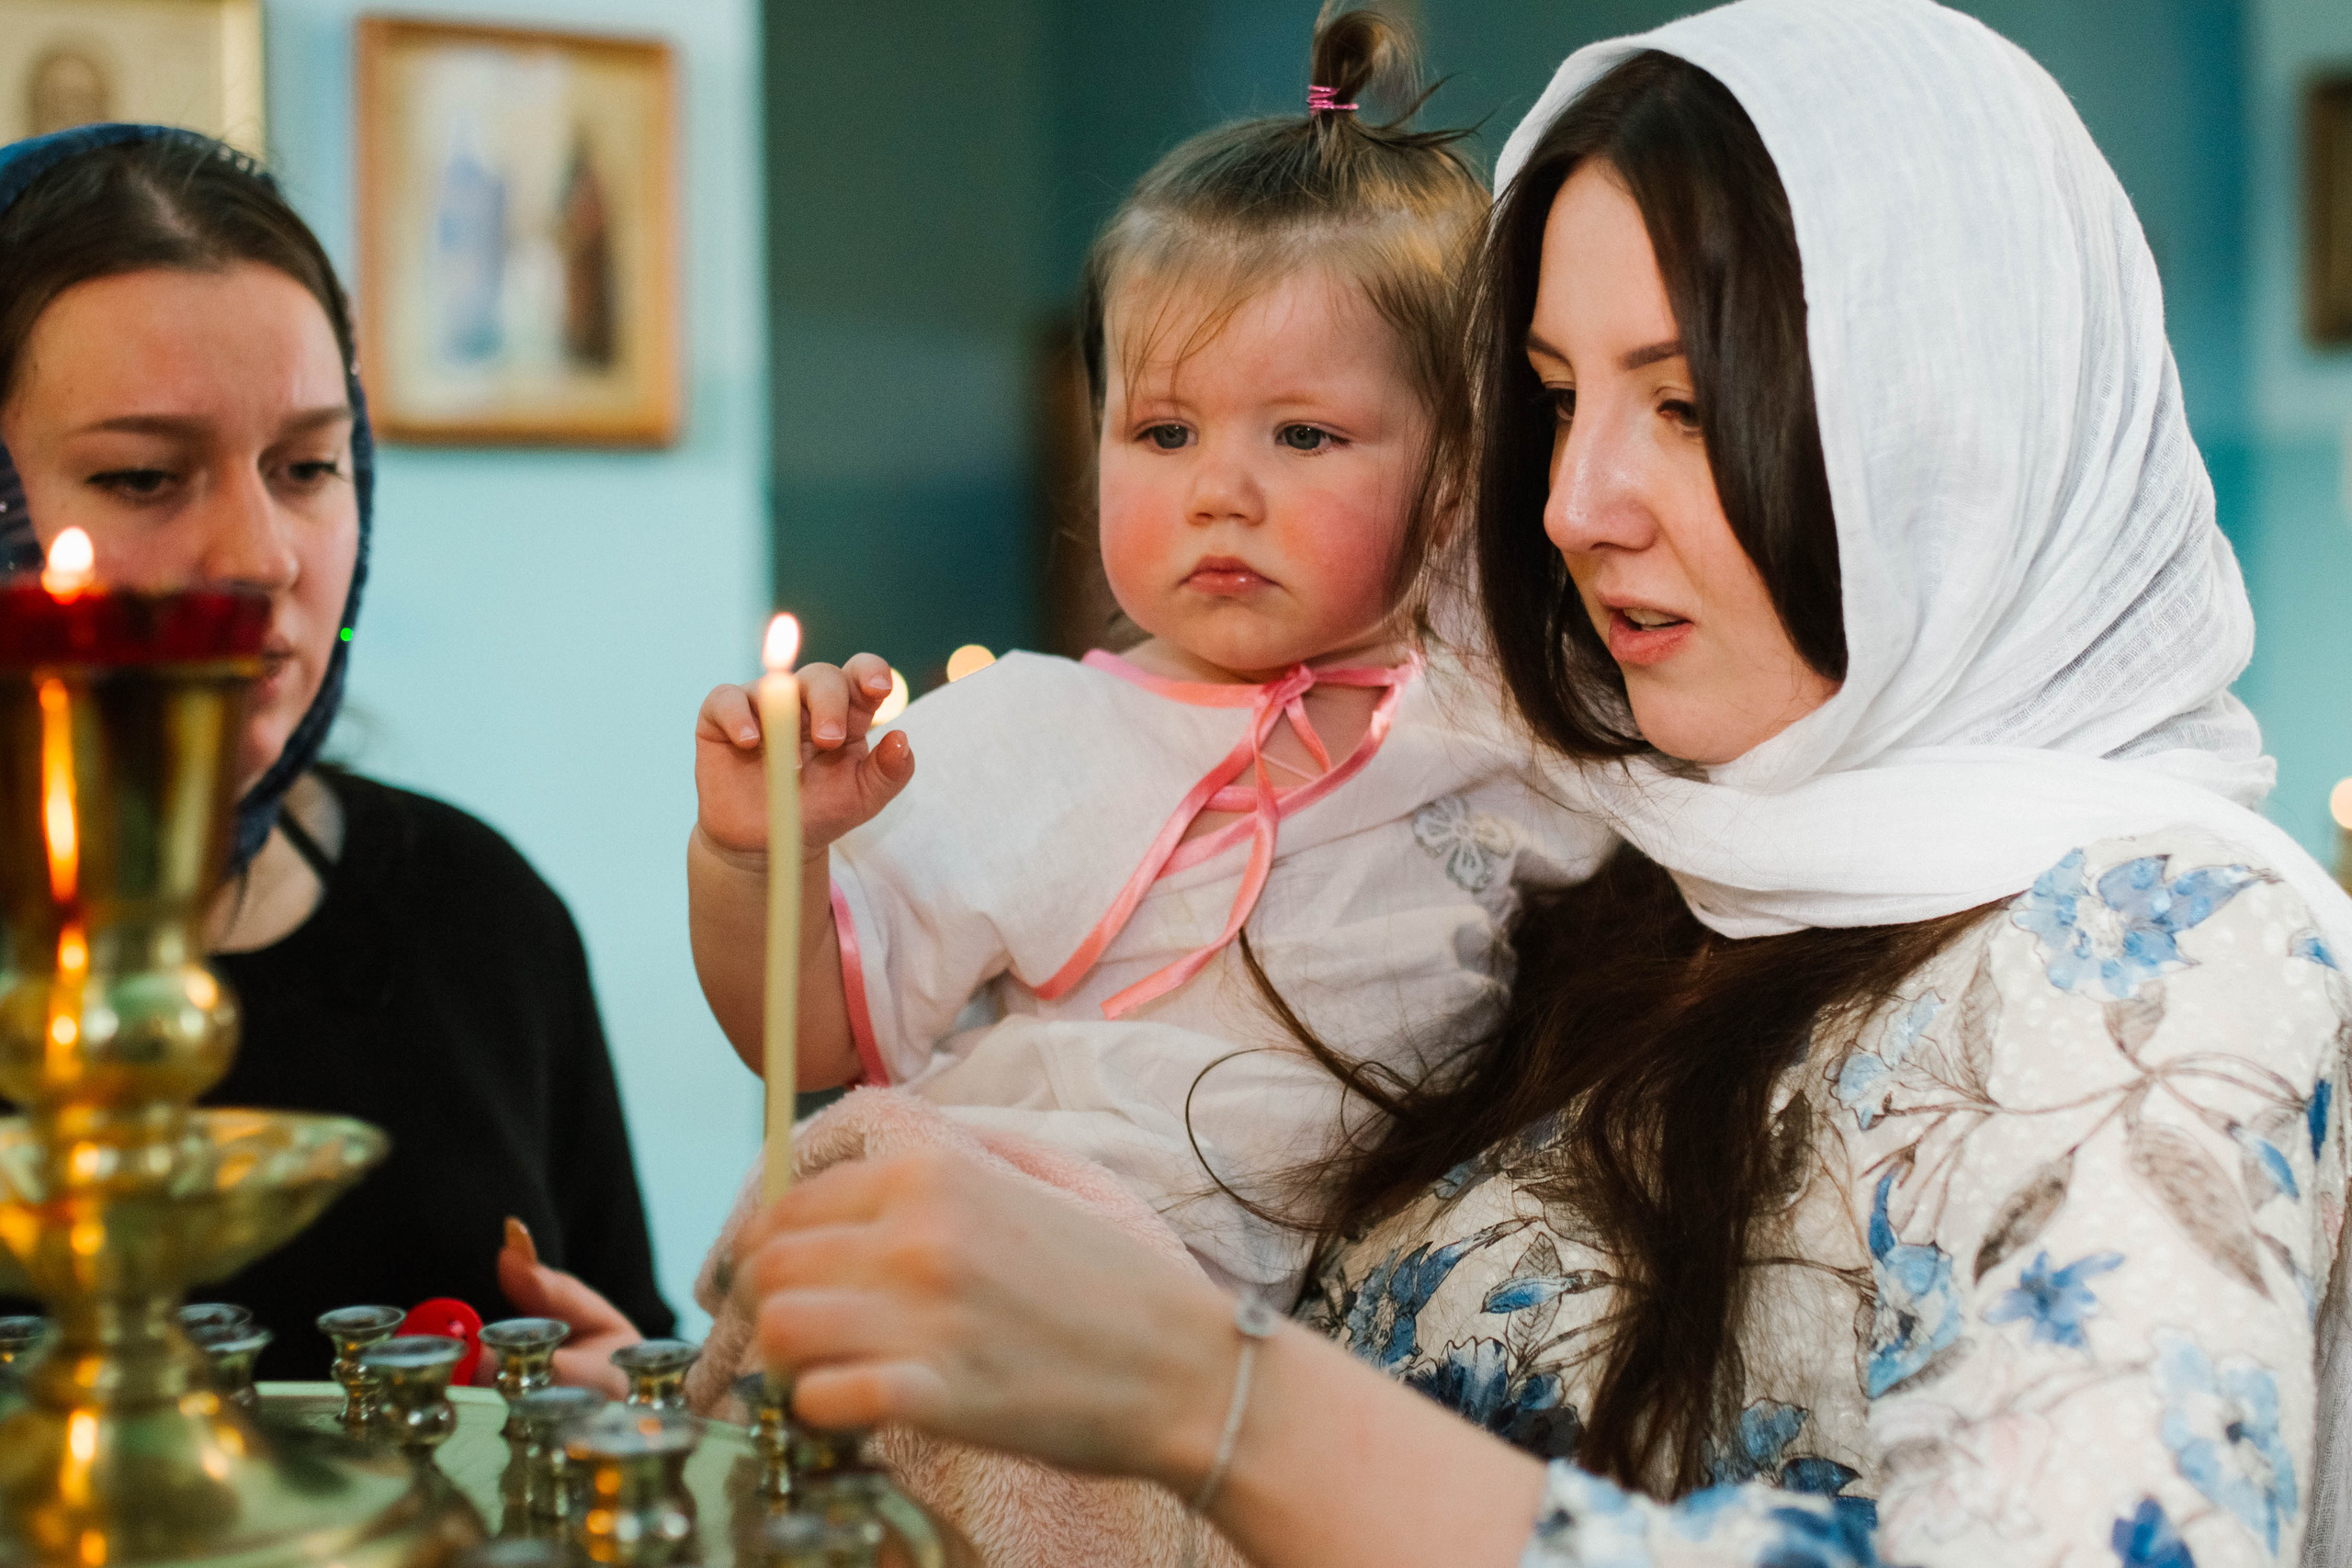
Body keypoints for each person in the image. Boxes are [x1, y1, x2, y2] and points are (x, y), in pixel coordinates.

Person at [712, 3, 2352, 1565]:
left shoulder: (2162, 958)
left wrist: (1208, 1400)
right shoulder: (1647, 844)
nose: (1573, 504)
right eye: (1557, 402)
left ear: (1949, 435)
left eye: (1689, 407)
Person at [686, 5, 1611, 1299]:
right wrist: (751, 857)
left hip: (1319, 1334)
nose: (1218, 493)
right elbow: (808, 1034)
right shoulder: (1028, 732)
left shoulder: (1503, 730)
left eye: (1303, 437)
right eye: (1164, 434)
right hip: (1030, 1258)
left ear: (1455, 481)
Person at [0, 126, 674, 1379]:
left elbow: (635, 1369)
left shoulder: (478, 913)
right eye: (145, 477)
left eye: (307, 465)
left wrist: (600, 1416)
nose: (261, 559)